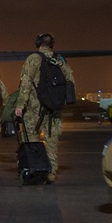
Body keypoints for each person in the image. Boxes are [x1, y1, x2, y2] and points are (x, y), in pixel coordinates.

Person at [14, 32, 74, 184]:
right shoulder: (59, 60)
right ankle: (51, 173)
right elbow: (70, 81)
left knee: (32, 140)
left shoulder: (33, 59)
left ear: (38, 43)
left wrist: (20, 105)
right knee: (52, 142)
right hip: (54, 109)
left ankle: (35, 170)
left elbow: (26, 83)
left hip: (35, 109)